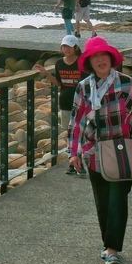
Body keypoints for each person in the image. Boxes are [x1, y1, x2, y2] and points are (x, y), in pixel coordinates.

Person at [69, 36, 132, 264]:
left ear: (111, 59)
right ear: (89, 62)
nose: (100, 59)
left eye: (104, 55)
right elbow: (76, 121)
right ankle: (108, 243)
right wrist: (73, 152)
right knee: (103, 201)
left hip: (123, 151)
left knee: (118, 198)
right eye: (95, 56)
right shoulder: (84, 87)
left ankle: (112, 250)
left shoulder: (128, 84)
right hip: (94, 151)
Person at [34, 34, 87, 175]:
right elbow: (59, 83)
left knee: (80, 133)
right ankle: (75, 163)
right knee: (71, 134)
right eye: (64, 46)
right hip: (65, 101)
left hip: (81, 103)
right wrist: (45, 73)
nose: (66, 49)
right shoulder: (59, 63)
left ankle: (76, 163)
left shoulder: (82, 62)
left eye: (69, 46)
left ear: (75, 47)